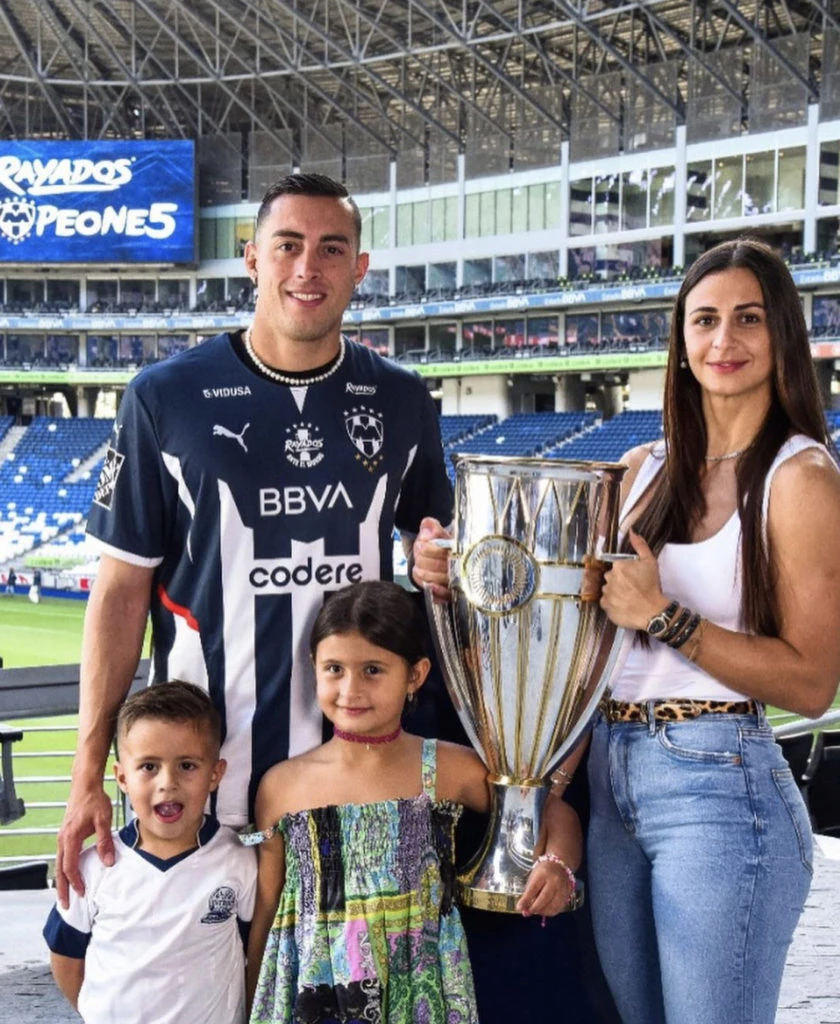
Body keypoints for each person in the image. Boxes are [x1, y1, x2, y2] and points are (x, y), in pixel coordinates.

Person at [56, 172, 453, 907]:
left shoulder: (401, 397)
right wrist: (88, 773)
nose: (308, 268)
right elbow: (119, 592)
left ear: (360, 268)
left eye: (332, 249)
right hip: (199, 786)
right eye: (288, 246)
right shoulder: (164, 396)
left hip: (353, 787)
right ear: (252, 258)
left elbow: (436, 541)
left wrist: (438, 557)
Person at [591, 237, 840, 1024]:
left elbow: (812, 684)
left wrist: (667, 619)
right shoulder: (643, 469)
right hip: (606, 776)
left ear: (782, 334)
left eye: (748, 319)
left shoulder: (801, 478)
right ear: (680, 338)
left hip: (717, 785)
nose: (723, 340)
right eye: (704, 320)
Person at [245, 580, 582, 1024]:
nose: (350, 689)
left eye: (372, 670)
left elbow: (553, 811)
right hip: (317, 992)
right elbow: (268, 910)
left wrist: (557, 865)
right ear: (314, 667)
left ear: (416, 675)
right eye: (334, 669)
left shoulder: (446, 768)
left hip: (421, 987)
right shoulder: (281, 786)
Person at [44, 681, 257, 1024]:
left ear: (215, 774)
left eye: (187, 765)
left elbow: (255, 951)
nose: (167, 782)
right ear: (122, 778)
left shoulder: (238, 860)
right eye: (149, 767)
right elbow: (65, 957)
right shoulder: (93, 867)